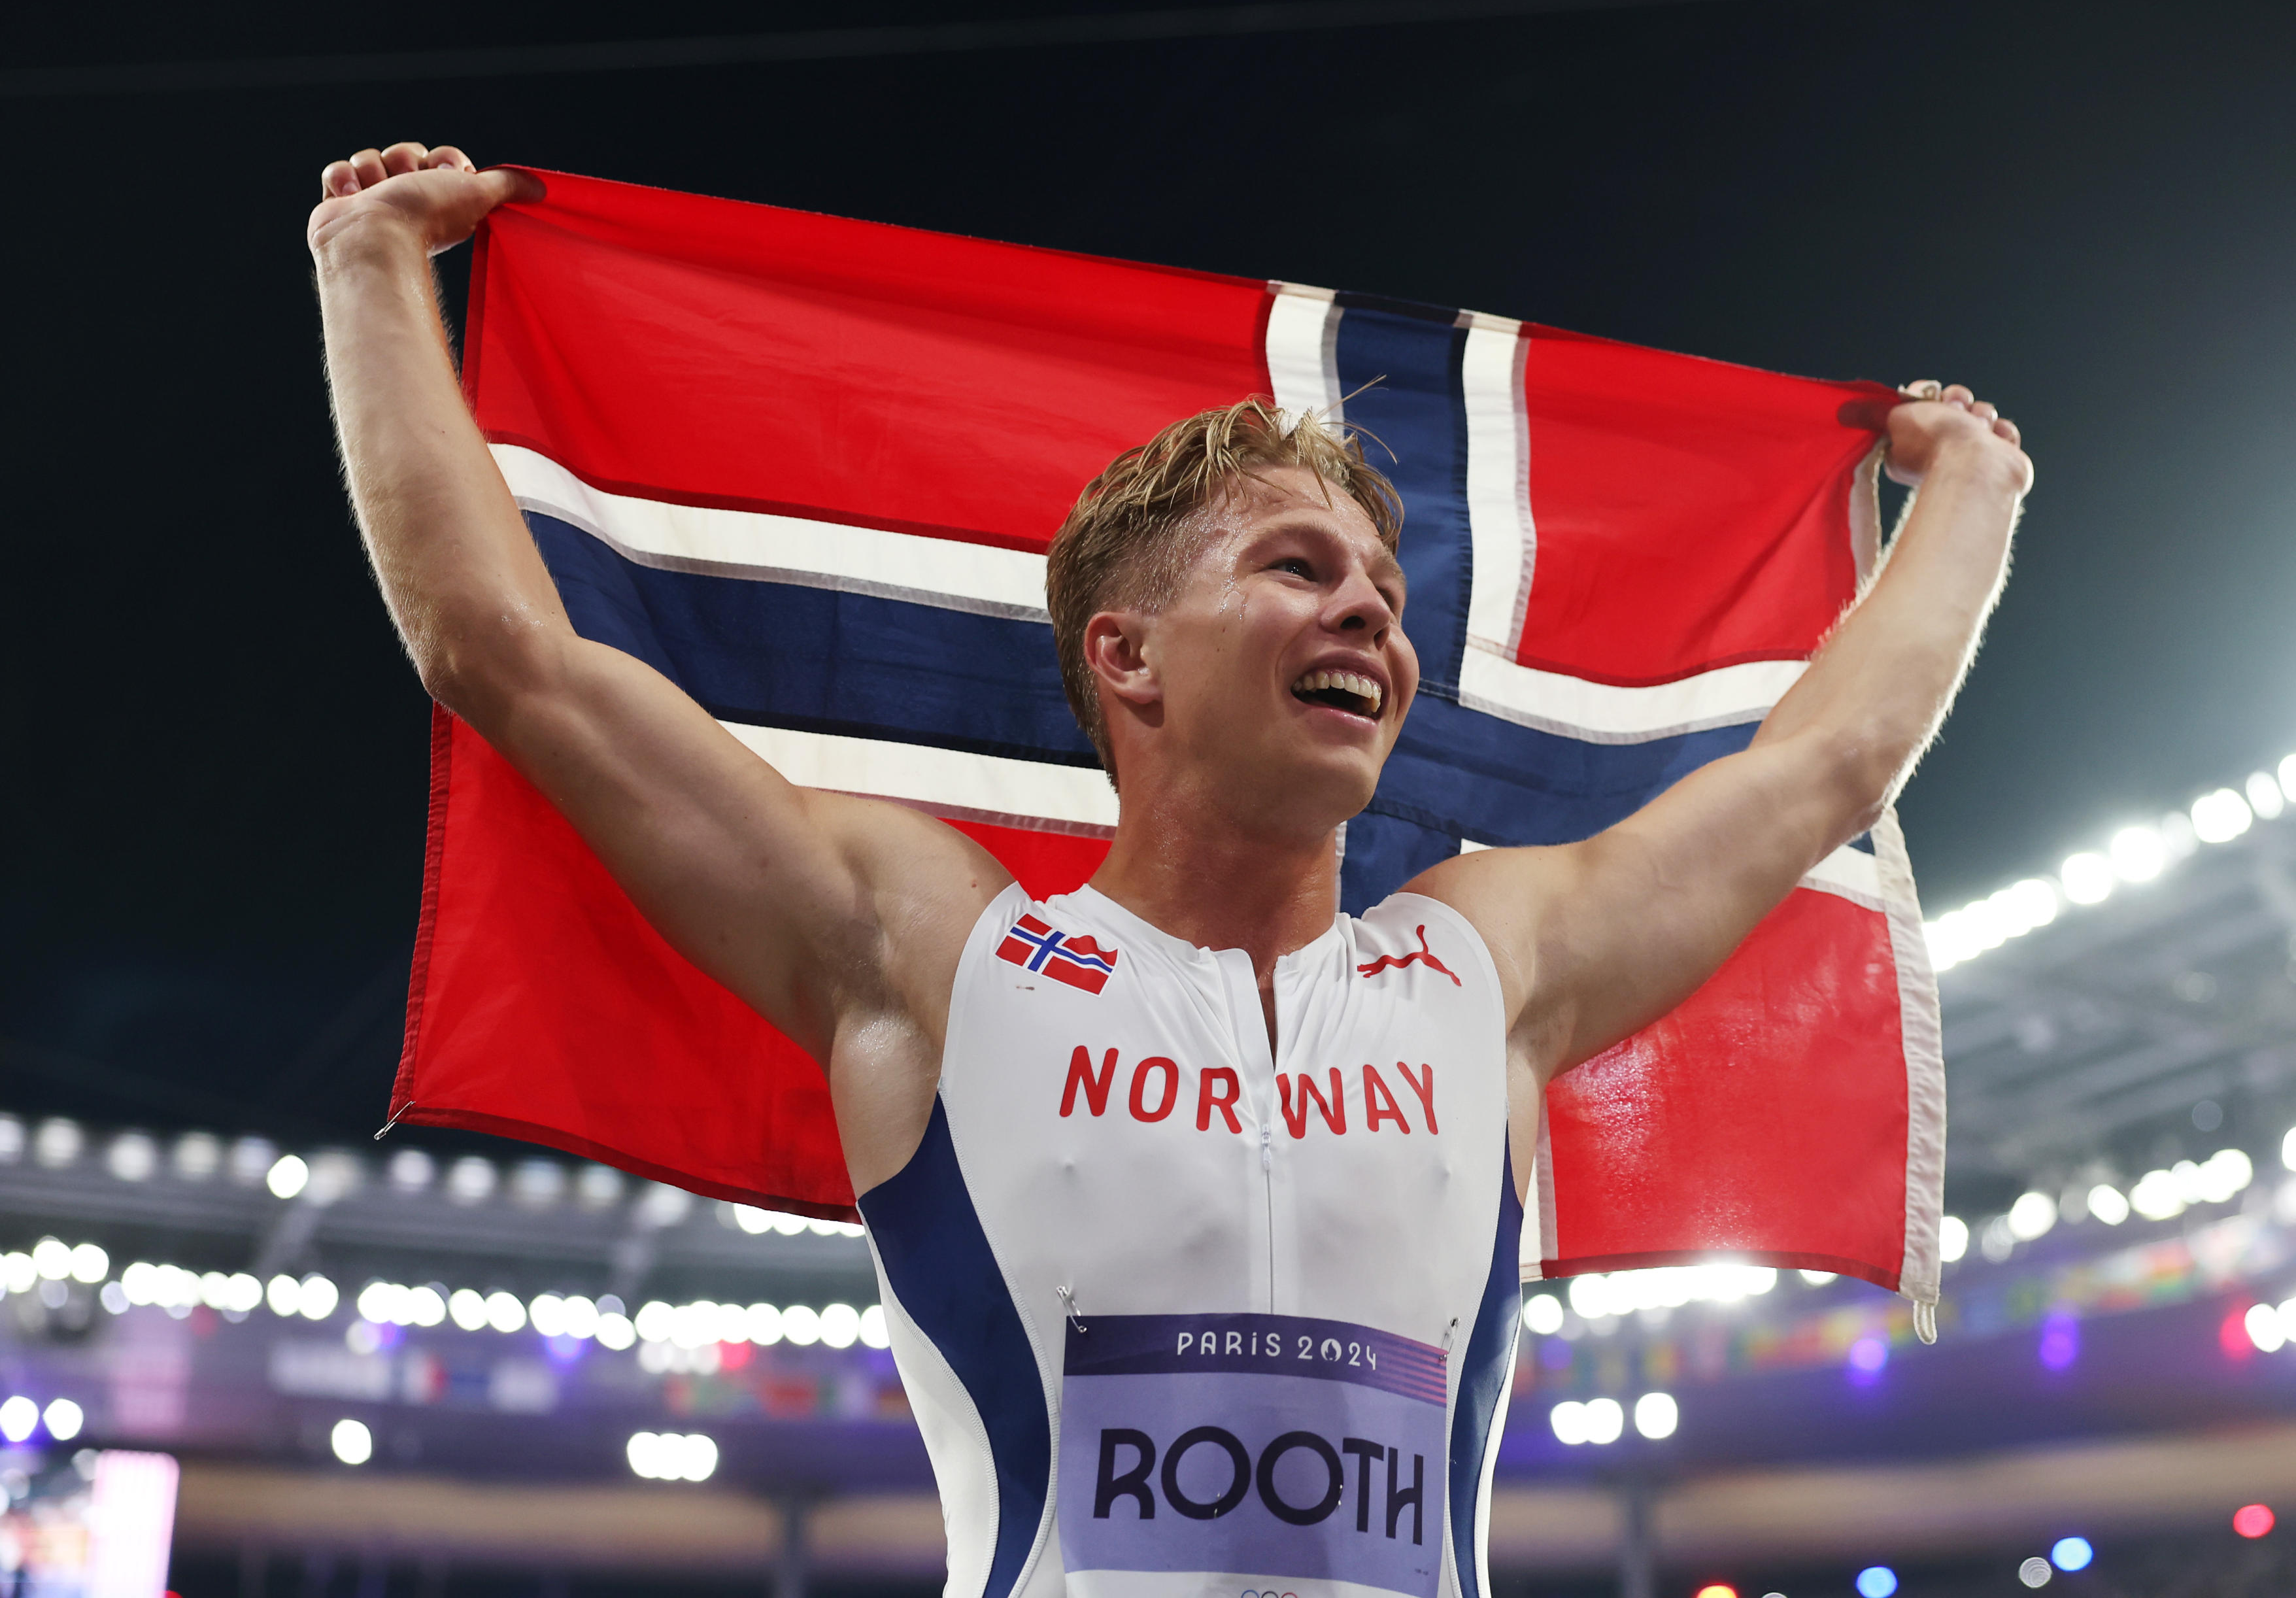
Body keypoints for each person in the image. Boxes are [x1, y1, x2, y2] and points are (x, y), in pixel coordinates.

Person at [310, 141, 2031, 1598]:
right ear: (1127, 659)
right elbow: (508, 660)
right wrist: (372, 263)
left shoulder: (1485, 969)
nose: (1370, 609)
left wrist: (1974, 489)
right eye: (1298, 567)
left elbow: (1821, 771)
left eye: (1383, 587)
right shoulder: (936, 958)